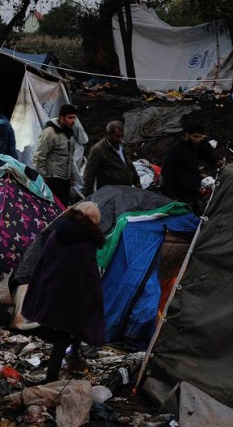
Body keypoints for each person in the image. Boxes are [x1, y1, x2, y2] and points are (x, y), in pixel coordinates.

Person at [21, 202, 105, 383]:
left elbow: (46, 258)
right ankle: (53, 376)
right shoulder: (86, 241)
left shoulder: (58, 231)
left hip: (52, 286)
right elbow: (88, 272)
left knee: (63, 330)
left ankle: (72, 356)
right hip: (71, 295)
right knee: (67, 331)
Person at [160, 119, 221, 212]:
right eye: (195, 136)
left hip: (194, 189)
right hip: (180, 192)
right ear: (187, 134)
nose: (198, 139)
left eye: (200, 137)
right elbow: (166, 173)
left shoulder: (194, 147)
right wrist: (172, 196)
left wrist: (204, 141)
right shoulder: (176, 150)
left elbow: (211, 159)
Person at [33, 104, 78, 205]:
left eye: (74, 117)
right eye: (69, 117)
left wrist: (71, 175)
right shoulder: (50, 133)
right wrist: (43, 179)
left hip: (65, 179)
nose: (73, 121)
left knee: (63, 207)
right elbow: (39, 157)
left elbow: (69, 158)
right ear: (61, 118)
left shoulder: (69, 134)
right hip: (52, 179)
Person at [82, 121, 140, 193]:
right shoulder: (98, 150)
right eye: (117, 136)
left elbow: (129, 165)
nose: (120, 139)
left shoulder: (123, 146)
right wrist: (89, 195)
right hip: (110, 192)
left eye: (122, 136)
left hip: (126, 190)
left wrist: (137, 181)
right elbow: (89, 175)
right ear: (108, 134)